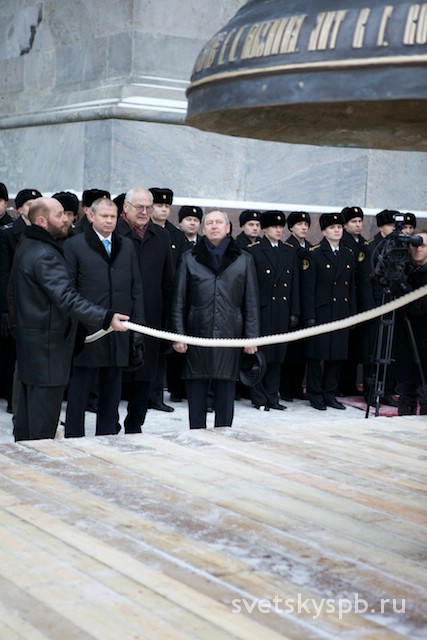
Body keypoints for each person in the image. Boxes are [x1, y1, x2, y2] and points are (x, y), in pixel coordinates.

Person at [10, 197, 129, 441]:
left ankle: (25, 459)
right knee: (42, 426)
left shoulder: (28, 245)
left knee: (28, 421)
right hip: (48, 351)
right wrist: (105, 317)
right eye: (59, 215)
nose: (66, 219)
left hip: (32, 346)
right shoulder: (45, 254)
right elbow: (67, 298)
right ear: (42, 221)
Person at [171, 209, 259, 429]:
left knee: (225, 395)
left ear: (228, 228)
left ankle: (224, 438)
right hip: (196, 333)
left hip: (230, 334)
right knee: (197, 393)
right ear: (203, 228)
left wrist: (252, 337)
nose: (214, 226)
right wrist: (178, 335)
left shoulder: (244, 259)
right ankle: (196, 436)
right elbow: (179, 301)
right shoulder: (189, 258)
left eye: (219, 222)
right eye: (209, 223)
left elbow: (251, 303)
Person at [63, 198, 144, 437]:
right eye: (104, 216)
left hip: (119, 328)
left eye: (113, 216)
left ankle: (108, 435)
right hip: (87, 329)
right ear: (91, 216)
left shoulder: (126, 245)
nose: (109, 221)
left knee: (112, 389)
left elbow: (136, 288)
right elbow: (69, 289)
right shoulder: (75, 245)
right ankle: (74, 437)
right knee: (80, 388)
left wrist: (136, 328)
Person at [116, 187, 175, 432]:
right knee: (114, 377)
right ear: (125, 207)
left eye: (148, 207)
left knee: (144, 377)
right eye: (139, 206)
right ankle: (109, 424)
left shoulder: (161, 236)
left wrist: (169, 323)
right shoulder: (114, 233)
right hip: (118, 319)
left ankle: (135, 425)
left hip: (150, 318)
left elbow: (168, 282)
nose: (144, 212)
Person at [302, 212, 356, 411]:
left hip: (341, 311)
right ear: (324, 231)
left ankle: (329, 394)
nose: (337, 230)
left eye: (339, 227)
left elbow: (351, 287)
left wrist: (352, 313)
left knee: (337, 356)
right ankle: (315, 394)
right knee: (317, 357)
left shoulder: (348, 254)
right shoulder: (314, 254)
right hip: (321, 312)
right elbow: (308, 290)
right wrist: (309, 316)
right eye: (332, 228)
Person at [248, 210, 299, 410]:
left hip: (281, 310)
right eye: (274, 227)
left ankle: (272, 396)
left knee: (278, 356)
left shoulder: (288, 251)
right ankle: (259, 397)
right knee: (262, 356)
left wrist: (294, 311)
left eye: (280, 227)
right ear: (264, 229)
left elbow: (294, 284)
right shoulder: (254, 251)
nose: (278, 230)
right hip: (263, 310)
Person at [0, 188, 43, 416]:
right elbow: (5, 275)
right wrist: (5, 310)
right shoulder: (8, 234)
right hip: (16, 305)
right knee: (13, 356)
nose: (33, 207)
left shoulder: (46, 232)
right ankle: (13, 400)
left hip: (37, 307)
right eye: (29, 204)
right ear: (19, 209)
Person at [148, 187, 187, 412]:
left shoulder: (176, 235)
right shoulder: (144, 230)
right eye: (159, 205)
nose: (163, 209)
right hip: (147, 296)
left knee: (162, 351)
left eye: (166, 206)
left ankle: (156, 395)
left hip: (168, 297)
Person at [363, 209, 400, 406]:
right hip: (376, 304)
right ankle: (371, 391)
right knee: (374, 349)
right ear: (381, 227)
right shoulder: (371, 247)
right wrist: (370, 309)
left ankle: (386, 390)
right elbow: (365, 281)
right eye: (390, 225)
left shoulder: (398, 246)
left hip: (393, 303)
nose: (394, 229)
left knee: (390, 348)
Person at [337, 206, 373, 397]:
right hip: (346, 300)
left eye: (360, 221)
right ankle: (341, 385)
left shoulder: (364, 244)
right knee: (345, 346)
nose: (358, 225)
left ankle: (350, 384)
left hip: (362, 302)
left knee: (358, 345)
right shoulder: (342, 244)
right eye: (353, 221)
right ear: (345, 225)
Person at [394, 229, 427, 415]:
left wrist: (401, 285)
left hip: (424, 343)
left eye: (423, 245)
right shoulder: (404, 270)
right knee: (405, 394)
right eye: (414, 245)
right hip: (404, 342)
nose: (418, 249)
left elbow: (419, 307)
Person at [280, 211, 312, 401]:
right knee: (290, 352)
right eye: (299, 224)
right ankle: (286, 388)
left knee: (303, 352)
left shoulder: (311, 248)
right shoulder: (287, 248)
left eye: (306, 224)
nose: (303, 227)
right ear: (291, 227)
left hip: (307, 304)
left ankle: (297, 387)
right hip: (291, 303)